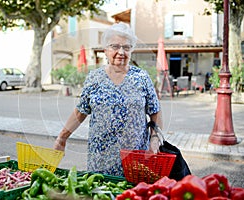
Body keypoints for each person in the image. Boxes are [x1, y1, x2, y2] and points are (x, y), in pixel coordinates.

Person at [54, 22, 163, 176]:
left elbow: (155, 111)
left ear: (131, 51)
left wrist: (155, 138)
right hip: (100, 159)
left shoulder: (141, 77)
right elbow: (80, 112)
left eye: (126, 47)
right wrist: (62, 138)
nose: (121, 52)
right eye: (115, 46)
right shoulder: (94, 78)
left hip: (135, 158)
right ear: (105, 50)